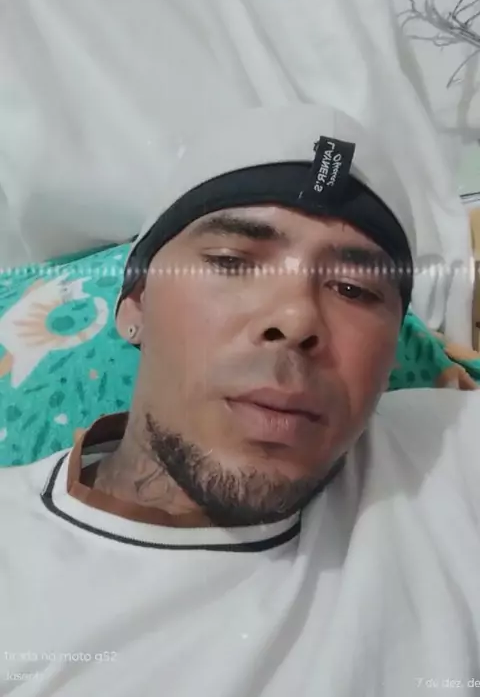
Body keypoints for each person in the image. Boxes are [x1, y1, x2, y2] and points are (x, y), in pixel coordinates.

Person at [1, 105, 479, 697]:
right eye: (231, 262)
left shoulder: (450, 458)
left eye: (354, 289)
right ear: (136, 302)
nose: (297, 318)